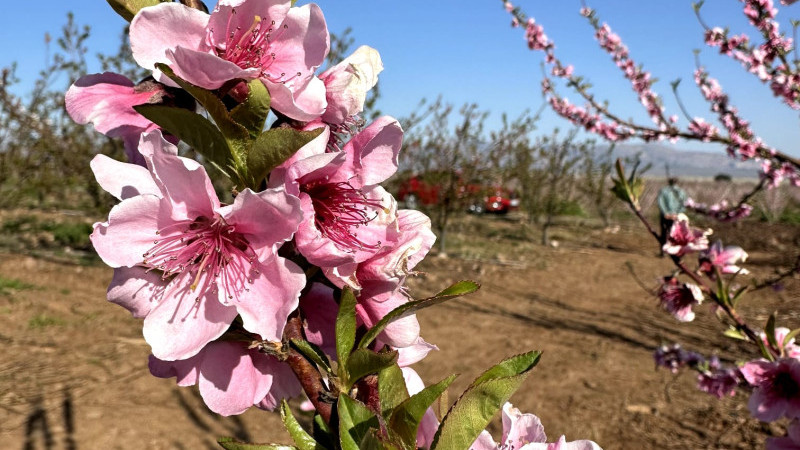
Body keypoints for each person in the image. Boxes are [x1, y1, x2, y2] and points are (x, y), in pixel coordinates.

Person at [657, 177, 688, 256]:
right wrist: (677, 214)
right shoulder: (682, 192)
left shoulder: (663, 191)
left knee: (664, 233)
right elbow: (684, 205)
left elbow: (661, 203)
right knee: (675, 234)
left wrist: (666, 213)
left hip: (665, 216)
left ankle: (663, 251)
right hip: (676, 216)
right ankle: (673, 251)